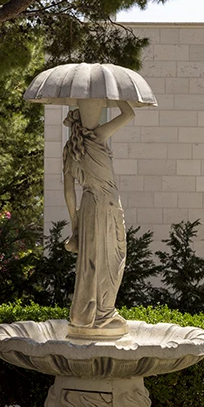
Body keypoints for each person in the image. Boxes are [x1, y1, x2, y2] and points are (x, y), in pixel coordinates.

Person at [62, 98, 135, 339]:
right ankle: (102, 314)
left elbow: (69, 192)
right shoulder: (98, 136)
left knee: (97, 260)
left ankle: (90, 314)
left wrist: (75, 224)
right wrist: (117, 96)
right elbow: (129, 114)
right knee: (111, 260)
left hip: (90, 207)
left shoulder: (71, 147)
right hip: (106, 207)